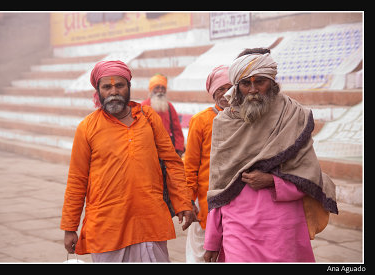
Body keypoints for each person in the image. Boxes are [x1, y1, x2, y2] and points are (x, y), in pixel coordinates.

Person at [203, 48, 338, 262]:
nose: (254, 90)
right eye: (246, 83)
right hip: (237, 224)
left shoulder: (294, 116)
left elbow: (309, 174)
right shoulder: (224, 122)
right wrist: (211, 239)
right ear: (237, 88)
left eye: (260, 82)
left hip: (282, 226)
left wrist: (272, 181)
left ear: (272, 83)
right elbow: (219, 184)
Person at [60, 60, 196, 263]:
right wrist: (70, 227)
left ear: (129, 87)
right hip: (108, 226)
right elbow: (77, 180)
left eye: (119, 85)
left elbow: (172, 162)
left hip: (149, 221)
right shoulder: (87, 128)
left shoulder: (148, 117)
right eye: (107, 87)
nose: (113, 91)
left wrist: (183, 202)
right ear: (98, 91)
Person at [184, 65, 231, 262]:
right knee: (201, 253)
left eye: (230, 87)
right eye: (221, 89)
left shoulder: (246, 118)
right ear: (213, 93)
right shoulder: (201, 120)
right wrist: (188, 200)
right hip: (204, 202)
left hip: (234, 201)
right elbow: (190, 165)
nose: (226, 94)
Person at [141, 73, 185, 157]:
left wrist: (179, 149)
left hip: (167, 151)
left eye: (163, 88)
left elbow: (177, 130)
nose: (160, 91)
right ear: (151, 89)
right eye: (157, 87)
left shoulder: (169, 107)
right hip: (148, 151)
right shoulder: (143, 106)